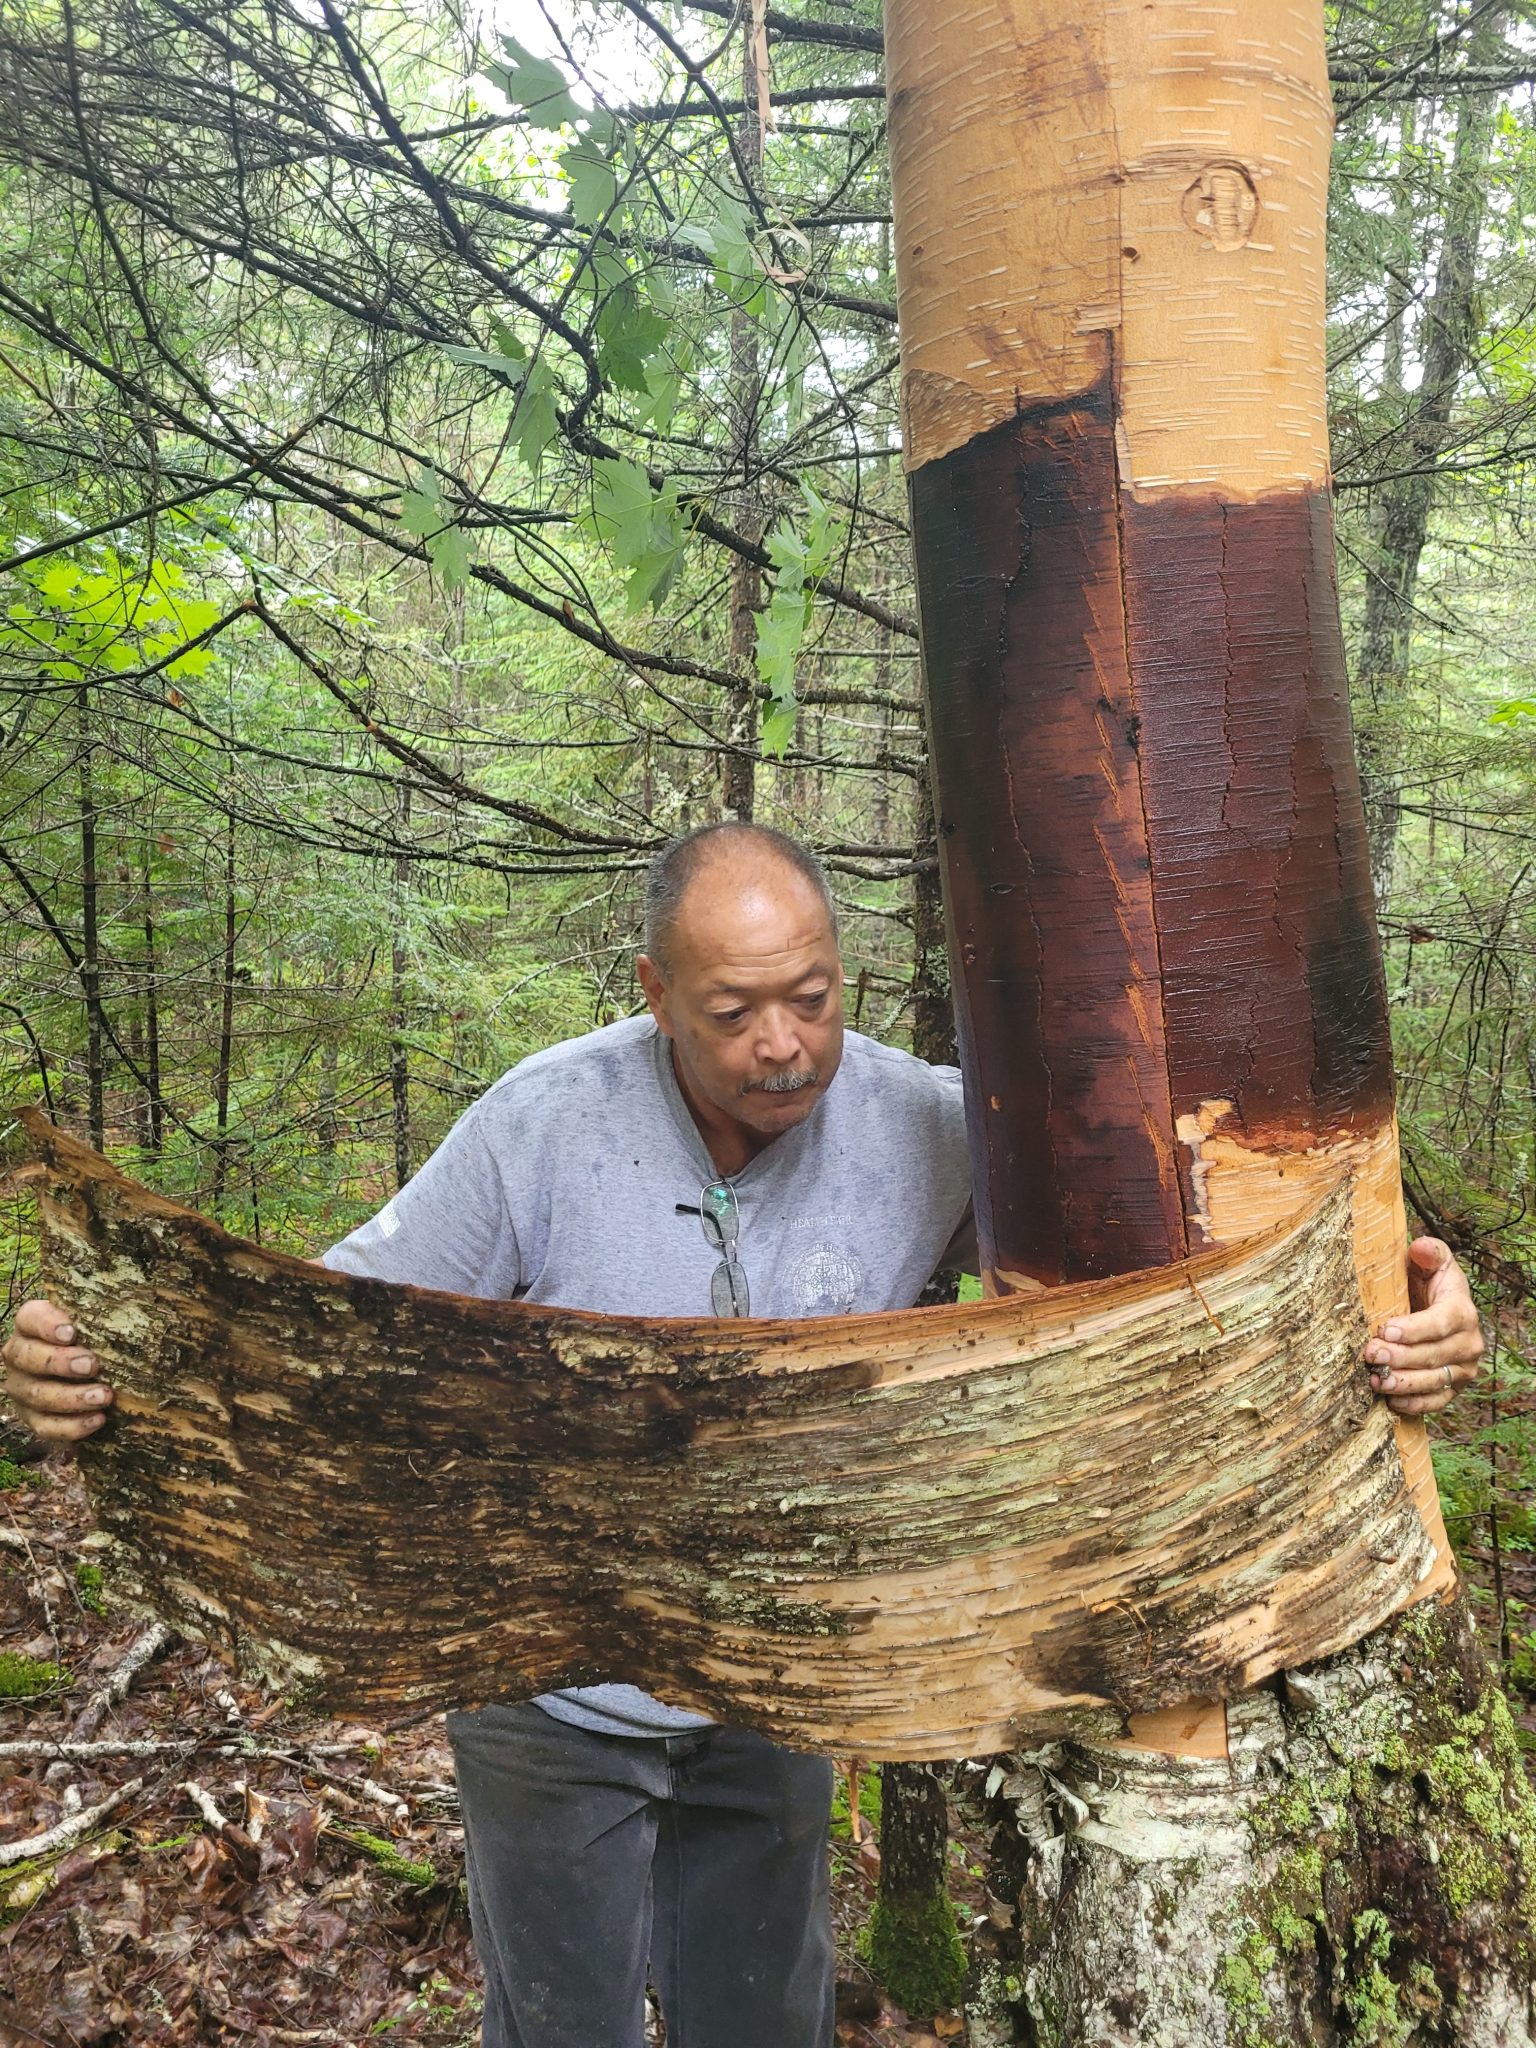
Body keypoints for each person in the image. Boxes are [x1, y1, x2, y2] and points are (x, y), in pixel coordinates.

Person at [2, 823, 1486, 2048]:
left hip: (780, 1689)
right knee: (560, 2024)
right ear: (655, 989)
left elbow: (1161, 1256)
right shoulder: (540, 1125)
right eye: (734, 1012)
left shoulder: (929, 1123)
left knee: (763, 2022)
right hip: (550, 1693)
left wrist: (1405, 1295)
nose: (786, 1046)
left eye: (816, 997)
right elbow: (315, 1329)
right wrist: (94, 1367)